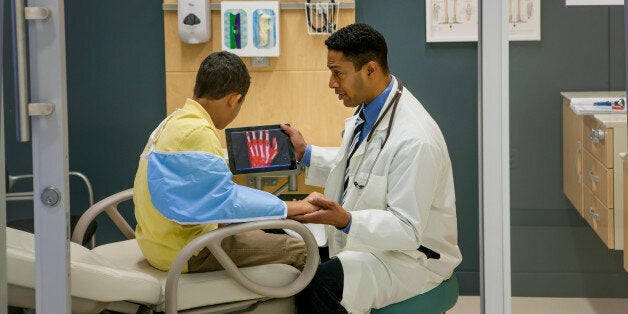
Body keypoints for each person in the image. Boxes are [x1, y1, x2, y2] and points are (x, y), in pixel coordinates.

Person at [281, 23, 462, 313]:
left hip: (411, 259)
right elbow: (360, 168)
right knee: (287, 244)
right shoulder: (370, 110)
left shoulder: (415, 139)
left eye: (338, 73)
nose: (331, 83)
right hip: (374, 243)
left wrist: (346, 220)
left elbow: (406, 229)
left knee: (318, 286)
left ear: (370, 69)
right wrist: (307, 154)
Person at [133, 51, 317, 274]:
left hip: (158, 243)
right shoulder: (198, 132)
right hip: (186, 251)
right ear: (234, 99)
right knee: (303, 249)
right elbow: (226, 201)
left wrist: (282, 210)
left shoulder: (174, 122)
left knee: (269, 232)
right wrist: (294, 207)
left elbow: (209, 197)